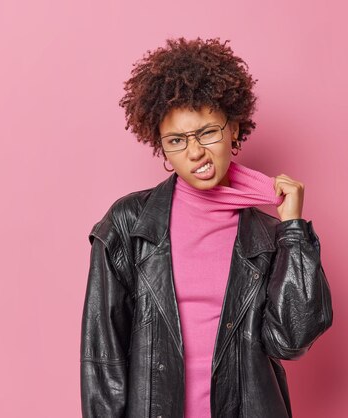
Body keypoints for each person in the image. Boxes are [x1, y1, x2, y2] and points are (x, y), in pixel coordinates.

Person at [80, 37, 333, 418]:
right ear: (161, 147)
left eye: (207, 132)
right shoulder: (129, 226)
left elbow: (290, 341)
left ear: (233, 128)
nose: (195, 152)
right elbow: (103, 357)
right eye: (177, 141)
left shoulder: (268, 234)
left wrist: (294, 229)